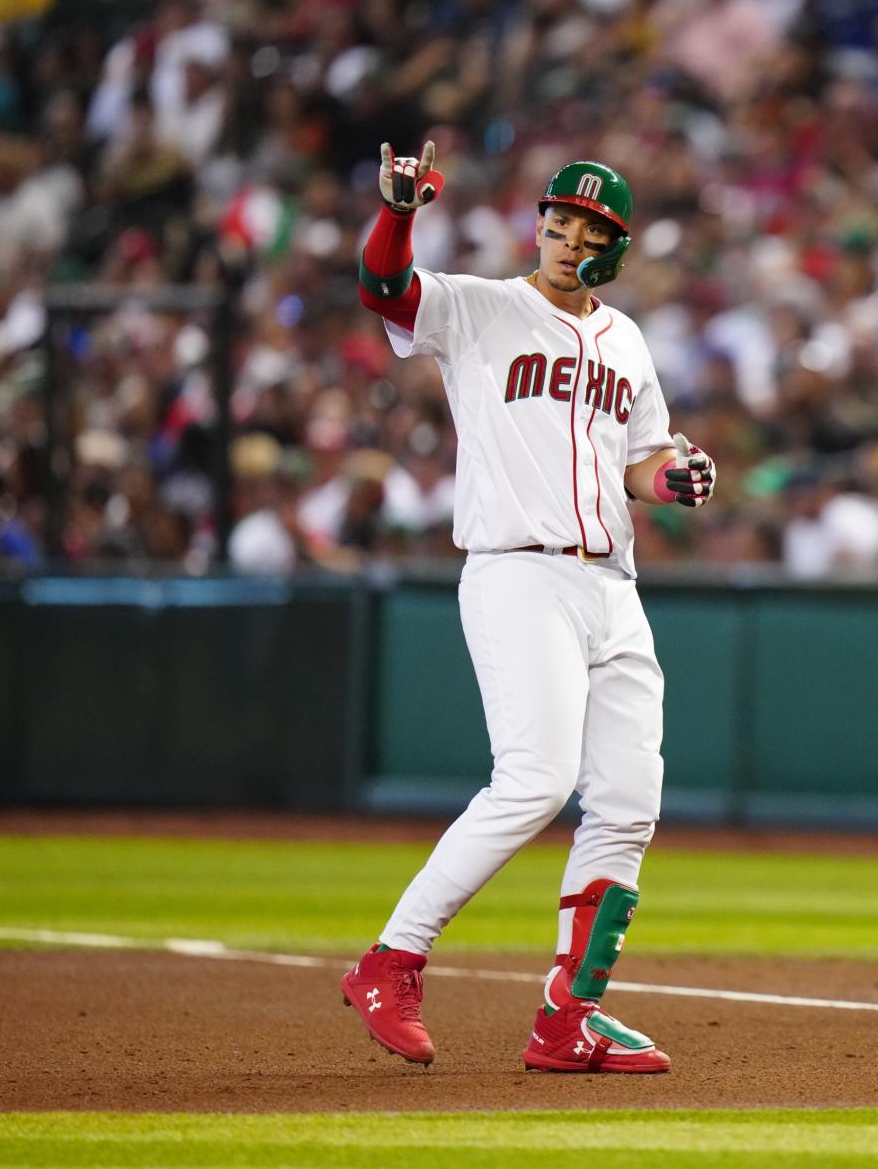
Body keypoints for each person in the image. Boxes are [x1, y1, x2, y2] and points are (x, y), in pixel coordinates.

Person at [338, 142, 716, 1074]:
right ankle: (391, 958)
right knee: (537, 779)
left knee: (628, 801)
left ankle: (569, 1017)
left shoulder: (625, 340)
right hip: (516, 571)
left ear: (612, 245)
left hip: (612, 586)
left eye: (587, 226)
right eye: (557, 218)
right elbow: (387, 289)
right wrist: (398, 212)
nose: (565, 234)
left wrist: (669, 478)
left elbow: (641, 457)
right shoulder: (484, 308)